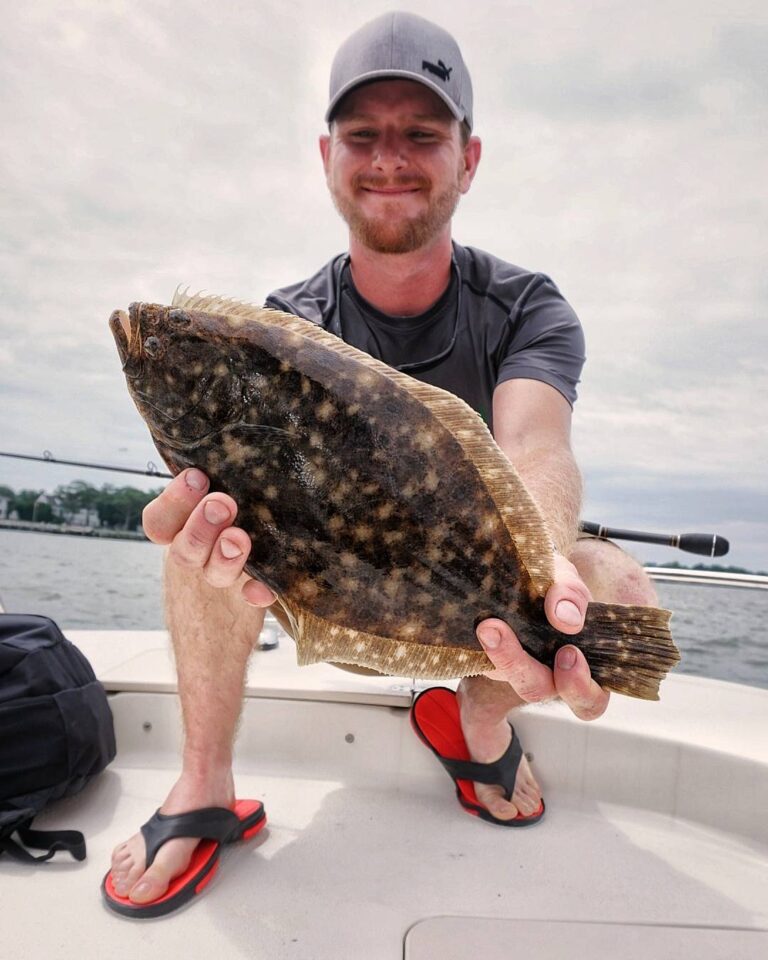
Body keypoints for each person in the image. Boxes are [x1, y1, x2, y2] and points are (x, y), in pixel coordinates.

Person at [105, 11, 659, 912]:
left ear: (468, 158)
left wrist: (541, 564)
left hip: (484, 616)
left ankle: (475, 721)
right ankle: (203, 784)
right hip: (328, 592)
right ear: (327, 155)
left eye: (422, 134)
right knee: (197, 530)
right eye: (363, 135)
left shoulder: (524, 307)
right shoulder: (282, 328)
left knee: (621, 603)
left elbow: (535, 446)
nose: (389, 158)